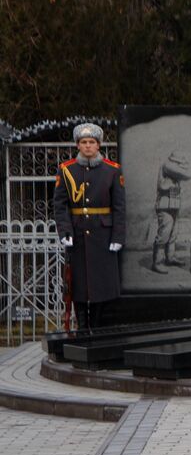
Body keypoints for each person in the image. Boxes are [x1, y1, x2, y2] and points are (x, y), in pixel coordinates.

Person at [53, 124, 125, 329]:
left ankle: (97, 327)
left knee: (102, 286)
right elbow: (60, 205)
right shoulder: (66, 170)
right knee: (78, 287)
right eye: (83, 142)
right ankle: (83, 329)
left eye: (91, 142)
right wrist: (65, 231)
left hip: (103, 236)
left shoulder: (112, 170)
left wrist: (118, 236)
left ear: (98, 145)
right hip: (77, 237)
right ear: (77, 145)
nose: (87, 146)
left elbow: (119, 206)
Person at [150, 151, 191, 274]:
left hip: (173, 205)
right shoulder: (168, 166)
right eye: (178, 162)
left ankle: (170, 257)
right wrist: (184, 166)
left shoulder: (173, 168)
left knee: (173, 233)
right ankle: (157, 263)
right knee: (164, 234)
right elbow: (188, 173)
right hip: (164, 205)